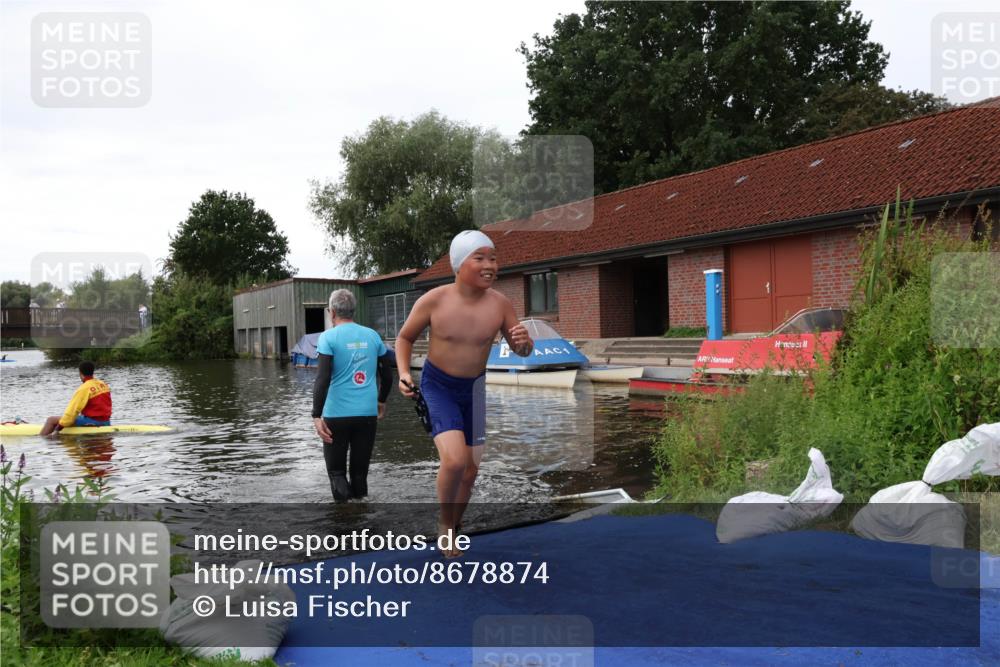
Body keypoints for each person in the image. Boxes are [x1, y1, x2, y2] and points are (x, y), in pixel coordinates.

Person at [395, 229, 533, 557]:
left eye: (494, 258)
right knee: (455, 461)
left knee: (471, 470)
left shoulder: (500, 304)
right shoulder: (434, 300)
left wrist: (525, 344)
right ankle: (445, 524)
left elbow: (521, 350)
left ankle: (456, 523)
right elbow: (404, 338)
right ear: (459, 265)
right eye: (480, 258)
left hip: (475, 389)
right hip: (437, 386)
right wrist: (402, 373)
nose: (490, 265)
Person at [312, 289, 394, 502]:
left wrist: (316, 415)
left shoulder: (328, 338)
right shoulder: (372, 336)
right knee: (359, 473)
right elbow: (387, 374)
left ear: (332, 313)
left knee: (337, 473)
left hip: (336, 415)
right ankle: (363, 520)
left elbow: (322, 379)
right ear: (353, 311)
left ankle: (346, 522)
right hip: (367, 414)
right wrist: (381, 401)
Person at [40, 361, 113, 436]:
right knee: (75, 418)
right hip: (106, 421)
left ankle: (41, 439)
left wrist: (58, 428)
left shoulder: (84, 388)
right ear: (92, 372)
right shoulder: (103, 384)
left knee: (51, 420)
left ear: (81, 374)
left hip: (94, 422)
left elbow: (72, 412)